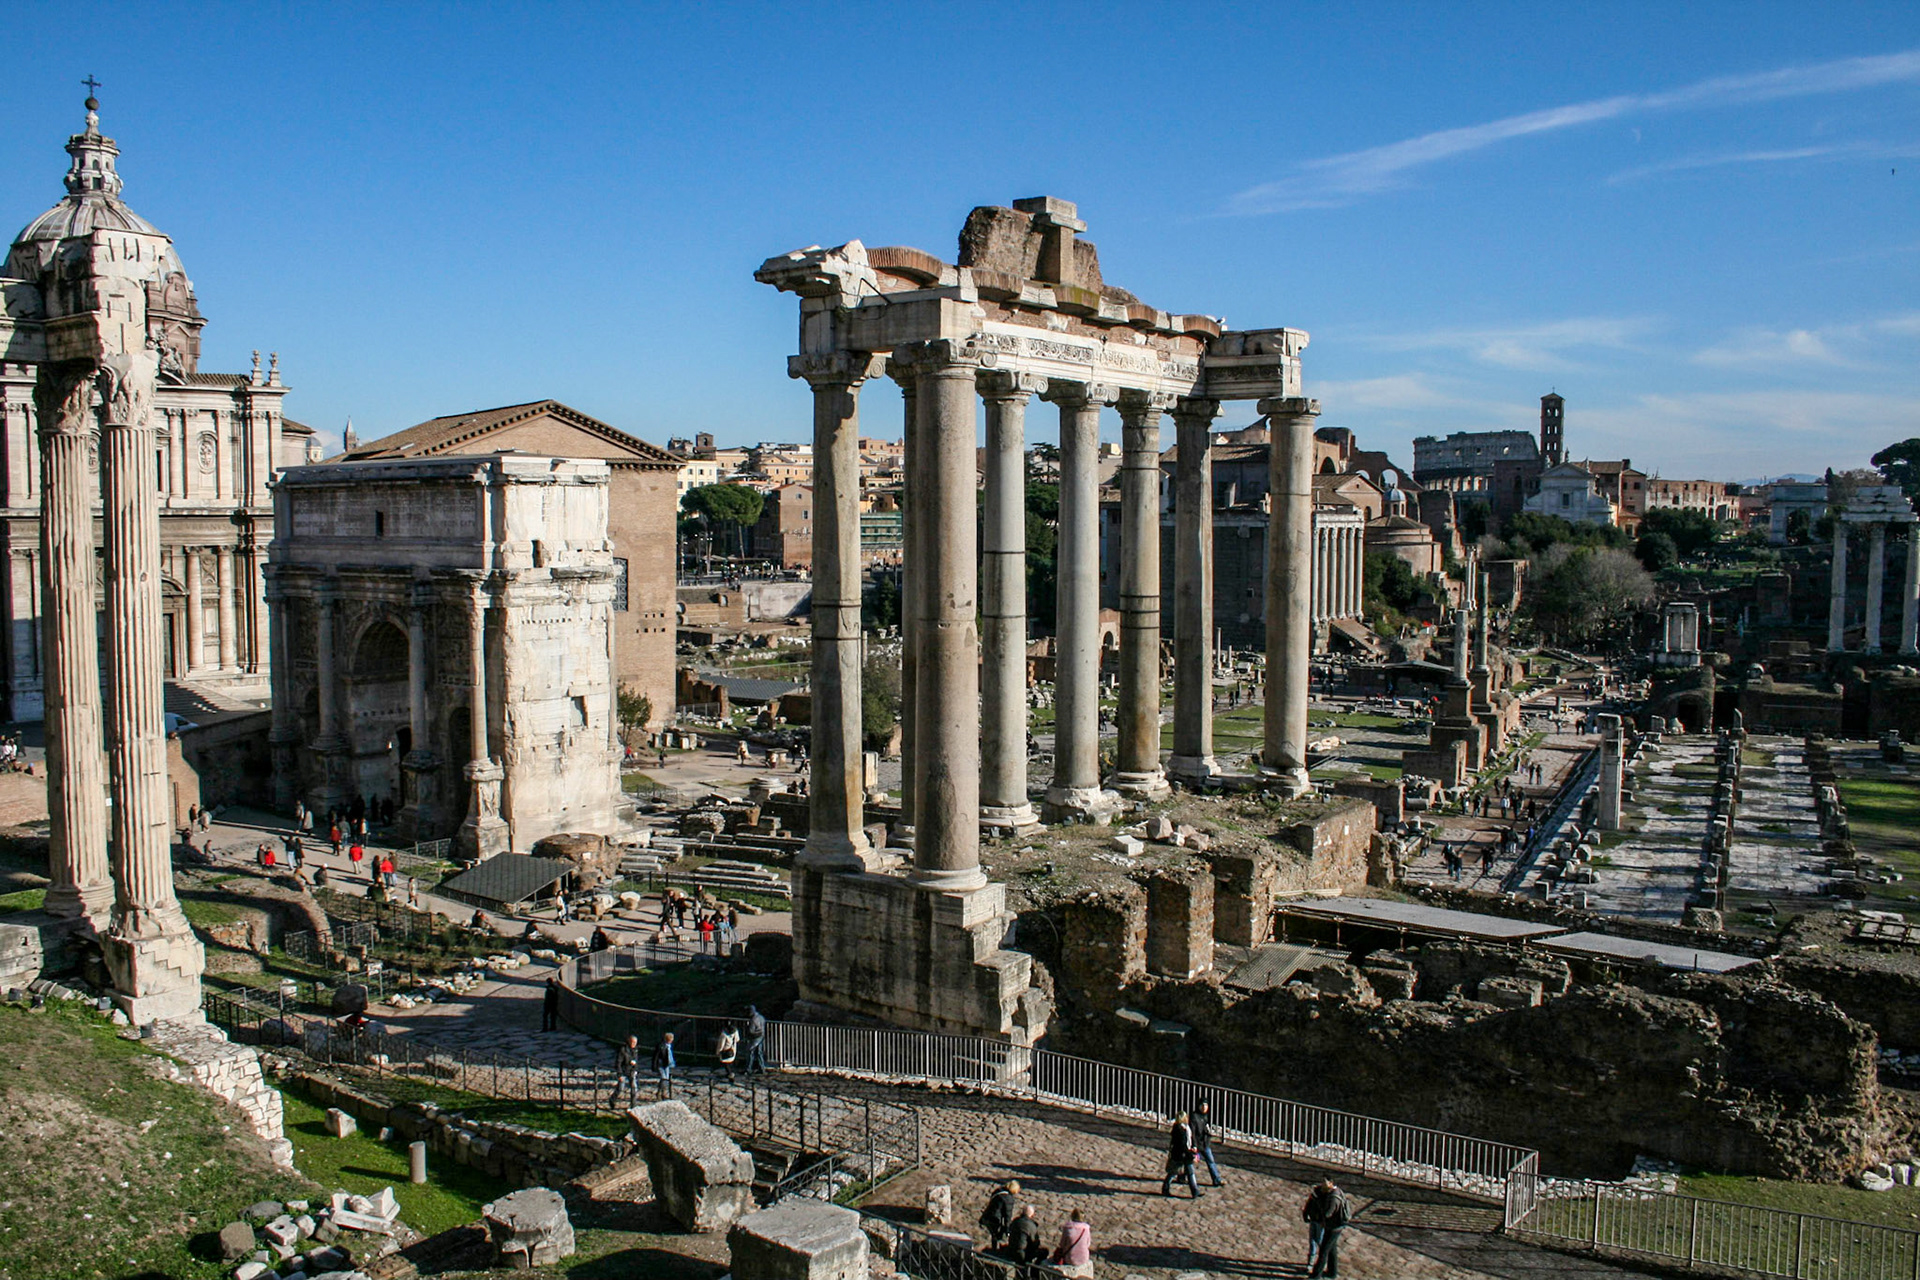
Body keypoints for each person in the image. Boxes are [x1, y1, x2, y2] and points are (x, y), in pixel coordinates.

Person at [1304, 1178, 1352, 1279]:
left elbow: (1327, 1213)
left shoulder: (1334, 1198)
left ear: (1331, 1183)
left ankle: (1316, 1275)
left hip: (1334, 1227)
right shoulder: (1334, 1193)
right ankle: (1332, 1272)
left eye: (1324, 1183)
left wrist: (1319, 1204)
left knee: (1324, 1251)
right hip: (1332, 1226)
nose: (1322, 1184)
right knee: (1331, 1249)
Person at [1161, 1111, 1201, 1197]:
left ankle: (1195, 1191)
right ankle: (1165, 1188)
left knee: (1190, 1172)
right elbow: (1182, 1145)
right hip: (1181, 1154)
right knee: (1173, 1173)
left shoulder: (1184, 1127)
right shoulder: (1180, 1130)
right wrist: (1191, 1153)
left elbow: (1190, 1139)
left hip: (1184, 1153)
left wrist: (1192, 1147)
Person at [1049, 1209, 1094, 1279]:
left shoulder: (1068, 1228)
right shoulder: (1086, 1228)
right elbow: (1088, 1244)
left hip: (1070, 1259)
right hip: (1083, 1258)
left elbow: (1062, 1244)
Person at [1191, 1099, 1224, 1187]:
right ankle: (1182, 1176)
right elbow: (1193, 1132)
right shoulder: (1194, 1117)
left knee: (1211, 1161)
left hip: (1204, 1143)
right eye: (1202, 1105)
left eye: (1206, 1106)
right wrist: (1194, 1145)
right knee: (1191, 1162)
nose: (1204, 1108)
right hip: (1197, 1143)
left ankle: (1216, 1179)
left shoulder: (1205, 1116)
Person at [979, 1180, 1019, 1251]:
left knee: (993, 1234)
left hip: (988, 1215)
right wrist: (1007, 1228)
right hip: (996, 1219)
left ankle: (994, 1247)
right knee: (997, 1236)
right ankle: (995, 1249)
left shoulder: (998, 1191)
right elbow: (1007, 1215)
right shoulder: (1008, 1199)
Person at [610, 1034, 645, 1107]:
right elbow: (618, 1062)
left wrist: (635, 1069)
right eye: (633, 1042)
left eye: (635, 1043)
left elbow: (636, 1060)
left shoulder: (635, 1050)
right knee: (620, 1088)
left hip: (631, 1071)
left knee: (634, 1088)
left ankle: (633, 1105)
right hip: (623, 1071)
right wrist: (619, 1074)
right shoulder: (623, 1050)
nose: (634, 1044)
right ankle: (612, 1099)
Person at [652, 1031, 677, 1098]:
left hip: (667, 1064)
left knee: (666, 1079)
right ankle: (661, 1093)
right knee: (664, 1078)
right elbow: (656, 1056)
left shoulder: (669, 1046)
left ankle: (661, 1092)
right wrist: (654, 1065)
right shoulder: (661, 1046)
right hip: (661, 1064)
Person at [745, 1004, 768, 1073]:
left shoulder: (753, 1020)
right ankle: (762, 1068)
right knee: (759, 1053)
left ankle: (748, 1069)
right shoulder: (761, 1017)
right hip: (761, 1036)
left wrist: (747, 1029)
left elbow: (751, 1031)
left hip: (755, 1037)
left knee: (750, 1053)